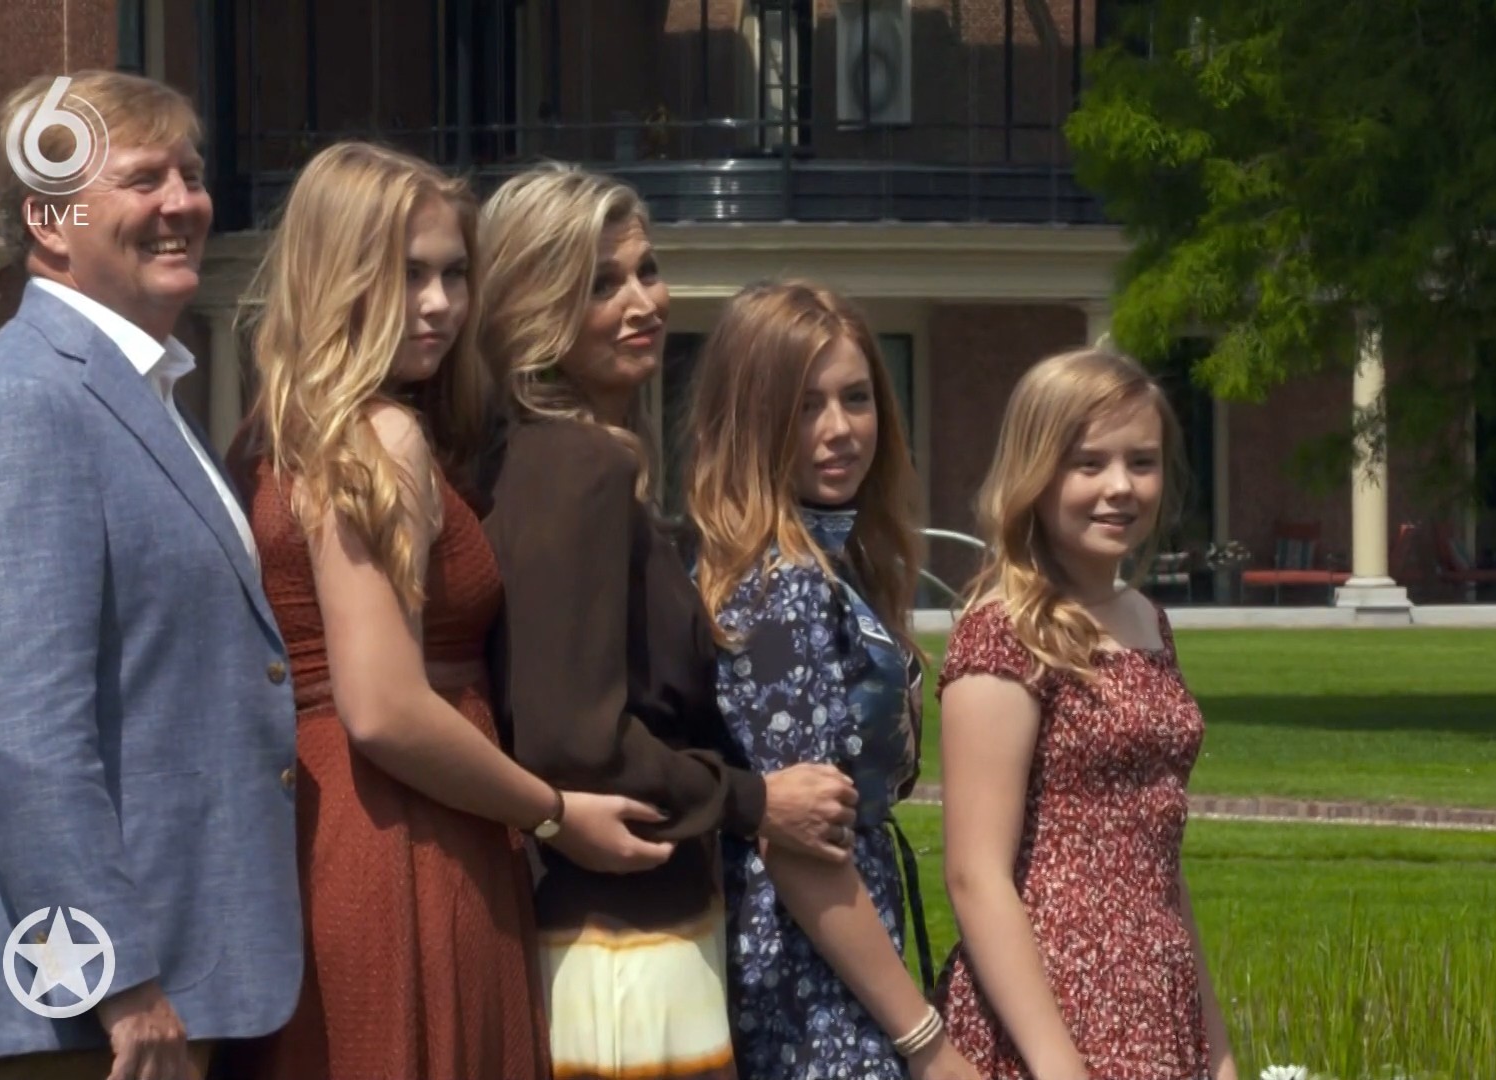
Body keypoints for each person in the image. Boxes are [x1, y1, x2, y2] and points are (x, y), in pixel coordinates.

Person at [220, 141, 674, 1080]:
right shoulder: (377, 436)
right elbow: (384, 707)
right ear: (336, 275)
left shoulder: (272, 431)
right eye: (406, 274)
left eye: (454, 273)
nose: (438, 304)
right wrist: (555, 813)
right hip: (405, 836)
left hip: (326, 822)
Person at [0, 70, 299, 1080]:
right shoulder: (26, 406)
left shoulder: (141, 397)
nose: (183, 203)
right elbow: (20, 730)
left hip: (175, 980)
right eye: (143, 179)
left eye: (192, 175)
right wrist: (114, 977)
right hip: (79, 1020)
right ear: (49, 221)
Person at [470, 165, 860, 1080]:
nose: (642, 302)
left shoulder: (551, 460)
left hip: (619, 921)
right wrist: (754, 800)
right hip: (620, 939)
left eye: (646, 270)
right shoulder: (574, 469)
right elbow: (574, 742)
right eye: (600, 284)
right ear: (533, 305)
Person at [684, 280, 980, 1080]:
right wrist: (927, 1043)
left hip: (835, 960)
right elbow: (801, 847)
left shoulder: (828, 563)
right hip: (808, 988)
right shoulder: (786, 587)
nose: (839, 429)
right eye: (804, 407)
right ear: (749, 420)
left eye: (856, 397)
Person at [936, 348, 1238, 1080]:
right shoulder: (1006, 631)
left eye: (1142, 462)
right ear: (1036, 472)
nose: (1120, 487)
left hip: (1156, 998)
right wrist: (1058, 1065)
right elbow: (975, 875)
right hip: (1051, 1007)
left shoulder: (1147, 621)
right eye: (1089, 464)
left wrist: (1217, 1048)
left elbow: (1158, 859)